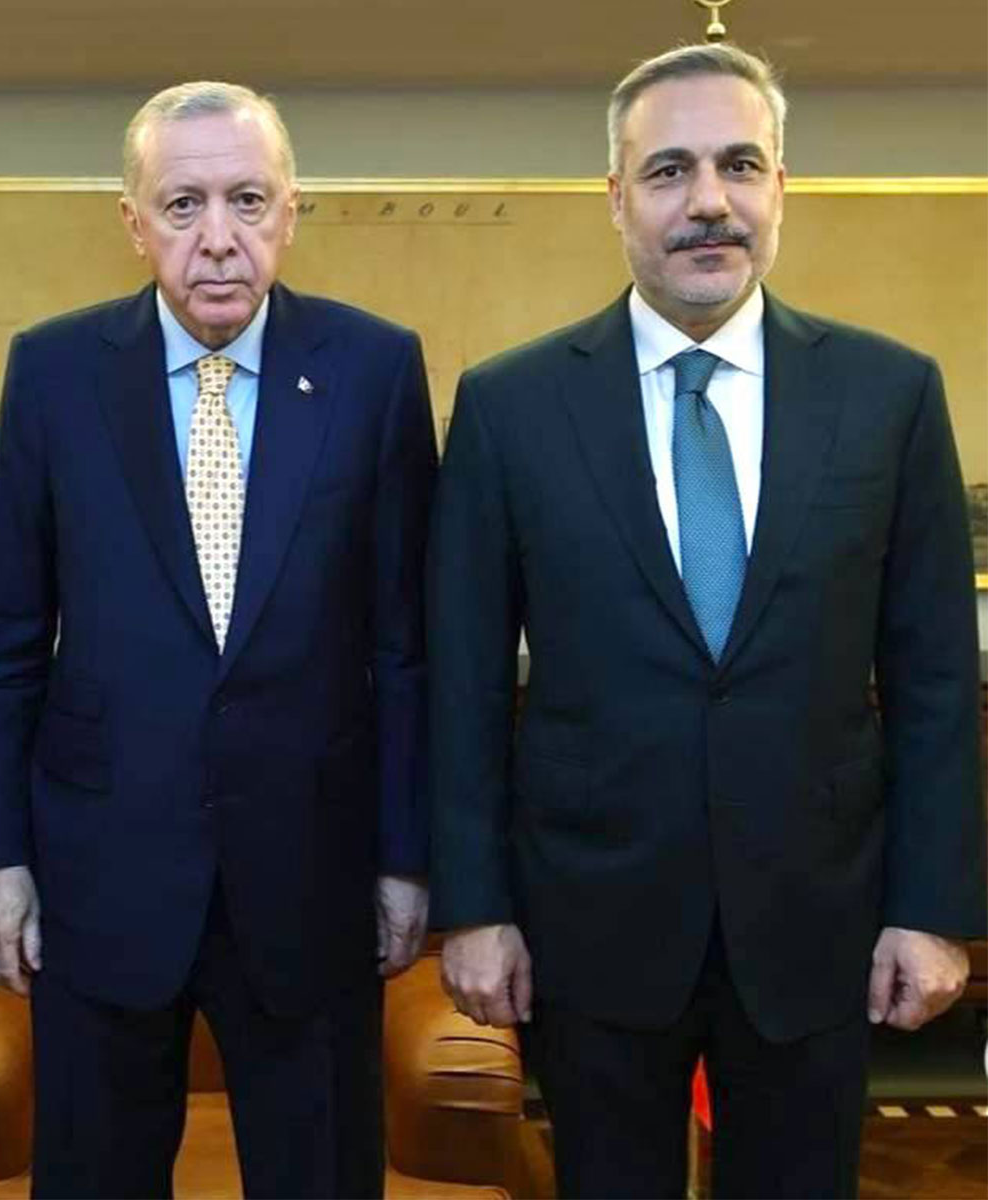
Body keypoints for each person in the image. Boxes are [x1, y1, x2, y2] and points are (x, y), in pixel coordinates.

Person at [428, 42, 984, 1199]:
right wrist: (474, 909)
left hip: (818, 923)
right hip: (590, 926)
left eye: (738, 165)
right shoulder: (509, 407)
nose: (707, 202)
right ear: (616, 198)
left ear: (781, 185)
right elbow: (464, 682)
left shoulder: (889, 394)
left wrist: (931, 912)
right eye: (668, 170)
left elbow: (933, 678)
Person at [0, 81, 437, 1198]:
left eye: (247, 200)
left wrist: (406, 856)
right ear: (133, 222)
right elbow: (7, 638)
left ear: (291, 211)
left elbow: (407, 644)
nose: (217, 237)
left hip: (313, 875)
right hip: (100, 877)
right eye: (182, 205)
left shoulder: (373, 370)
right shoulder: (56, 372)